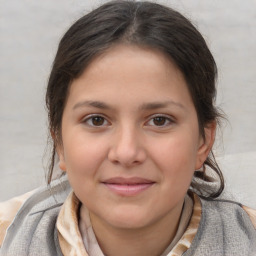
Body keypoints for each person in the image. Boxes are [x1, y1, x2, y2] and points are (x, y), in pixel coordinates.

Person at [0, 1, 255, 255]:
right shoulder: (7, 238)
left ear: (203, 141)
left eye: (159, 120)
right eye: (97, 120)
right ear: (60, 142)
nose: (126, 152)